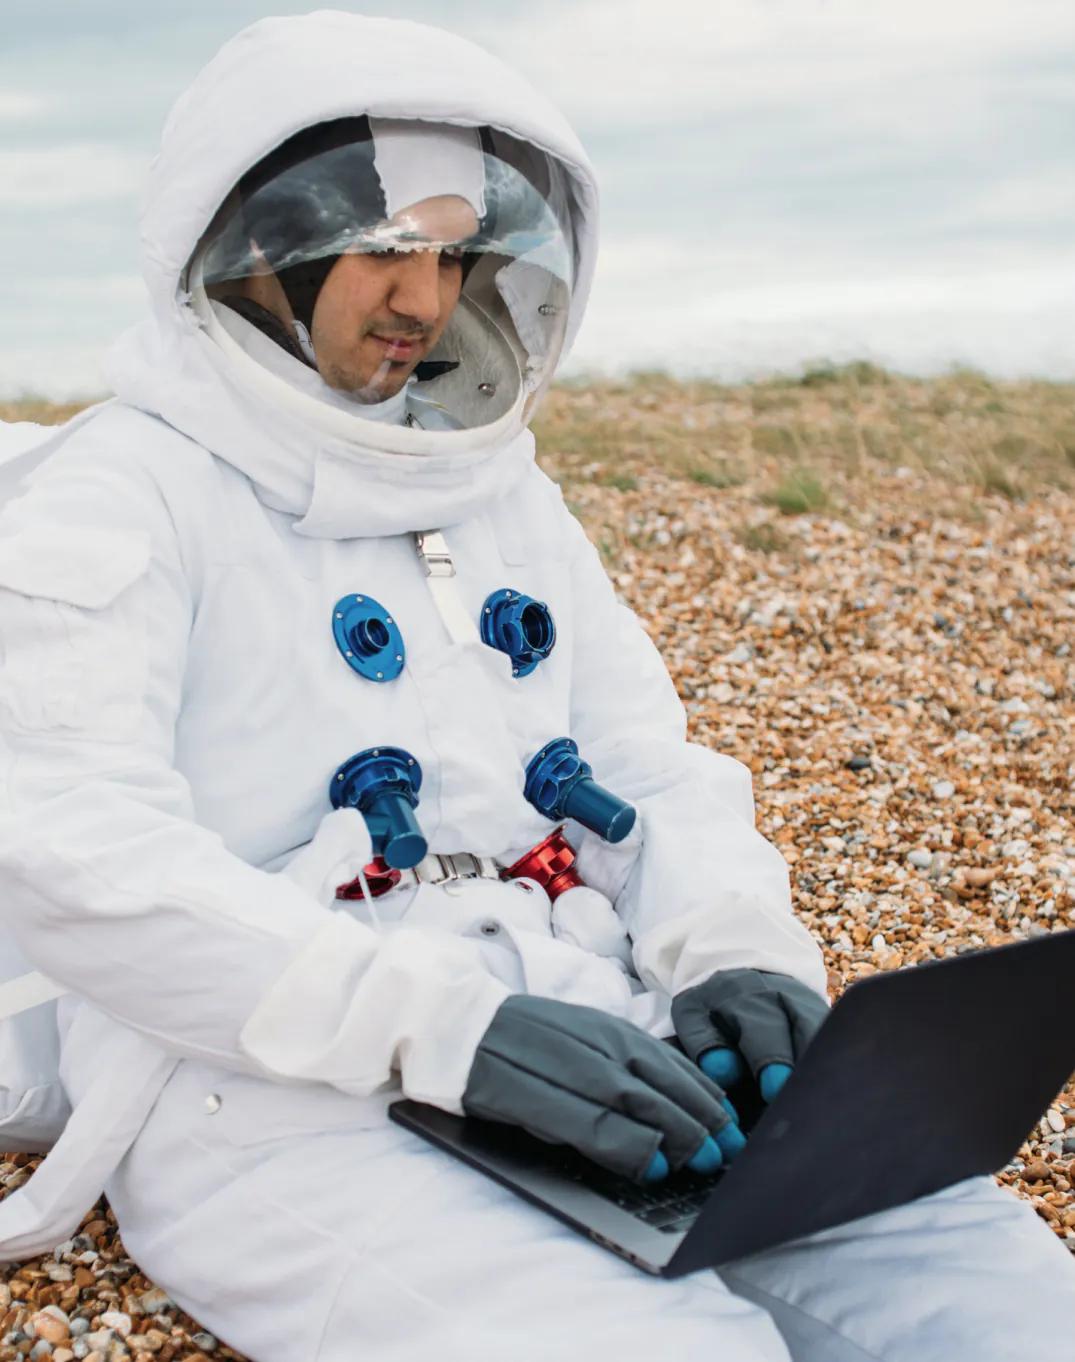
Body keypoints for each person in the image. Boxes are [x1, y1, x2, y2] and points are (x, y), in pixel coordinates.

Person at [0, 13, 1070, 1361]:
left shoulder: (497, 486)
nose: (426, 302)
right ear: (255, 256)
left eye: (455, 253)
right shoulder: (119, 495)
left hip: (590, 1034)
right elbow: (82, 858)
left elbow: (651, 765)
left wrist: (731, 948)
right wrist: (453, 1031)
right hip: (265, 1095)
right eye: (387, 250)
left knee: (1012, 1310)